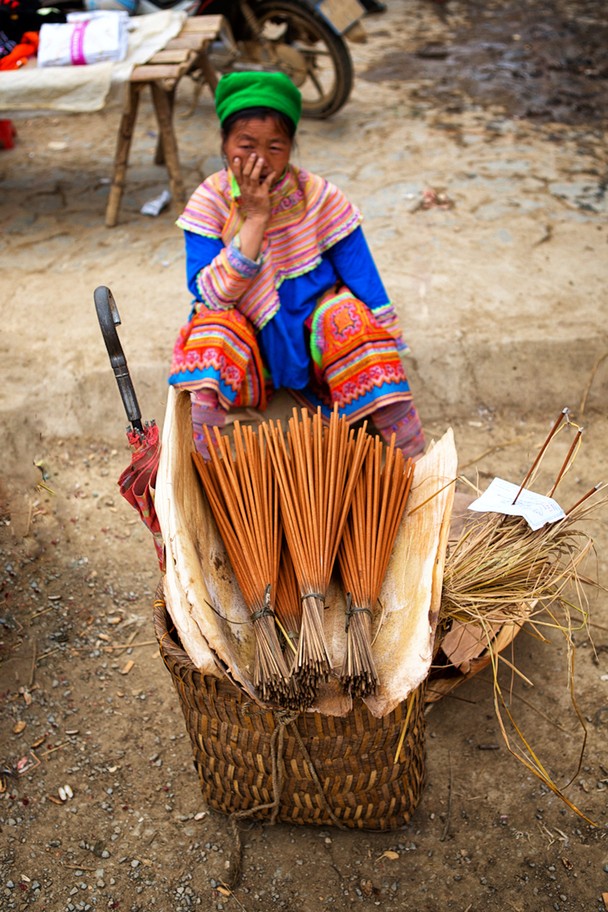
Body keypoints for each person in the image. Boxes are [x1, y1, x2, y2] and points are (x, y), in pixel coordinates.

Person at [169, 71, 424, 459]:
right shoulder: (211, 200)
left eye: (275, 146)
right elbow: (214, 296)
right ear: (224, 144)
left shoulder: (317, 196)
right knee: (211, 329)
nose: (260, 159)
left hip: (316, 355)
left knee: (348, 315)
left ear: (291, 148)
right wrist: (254, 220)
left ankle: (414, 462)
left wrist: (379, 351)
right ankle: (198, 467)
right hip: (250, 363)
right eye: (245, 144)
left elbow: (362, 275)